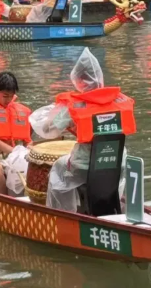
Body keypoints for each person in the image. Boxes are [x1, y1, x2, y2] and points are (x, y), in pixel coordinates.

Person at [30, 48, 136, 213]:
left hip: (85, 165)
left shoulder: (75, 105)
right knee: (119, 164)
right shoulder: (119, 99)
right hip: (118, 161)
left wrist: (59, 115)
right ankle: (118, 208)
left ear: (79, 80)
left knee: (58, 168)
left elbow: (46, 129)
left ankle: (63, 214)